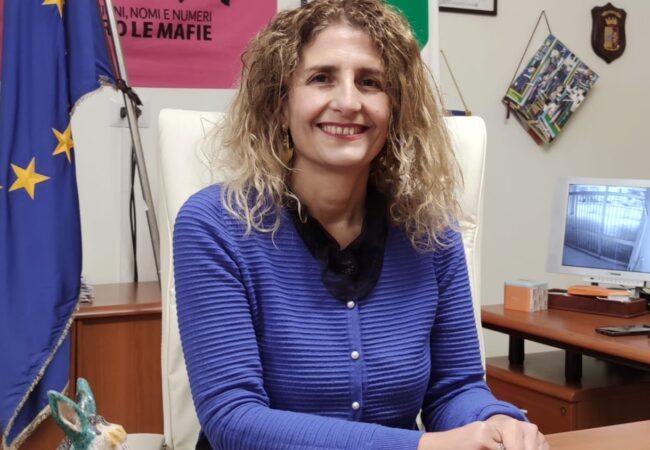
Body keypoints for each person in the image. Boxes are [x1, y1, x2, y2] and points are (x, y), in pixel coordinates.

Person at [173, 1, 549, 449]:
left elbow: (454, 388)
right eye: (321, 78)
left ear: (395, 110)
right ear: (279, 105)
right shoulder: (214, 225)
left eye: (370, 82)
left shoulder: (431, 232)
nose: (349, 102)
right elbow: (233, 420)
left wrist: (495, 421)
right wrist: (423, 447)